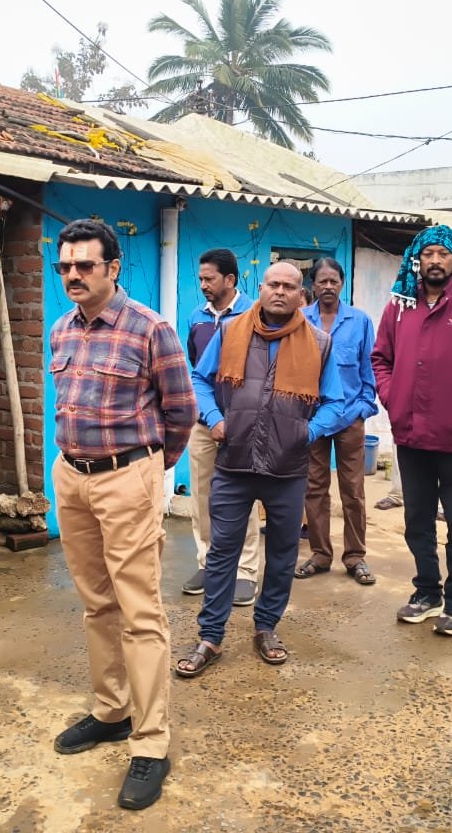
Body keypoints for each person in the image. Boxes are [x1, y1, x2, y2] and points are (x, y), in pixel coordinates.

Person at [48, 219, 195, 812]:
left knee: (140, 610)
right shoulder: (61, 329)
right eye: (65, 266)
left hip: (127, 476)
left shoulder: (150, 328)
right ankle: (112, 711)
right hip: (71, 476)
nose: (73, 275)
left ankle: (151, 741)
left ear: (113, 268)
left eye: (85, 265)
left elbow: (181, 411)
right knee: (96, 604)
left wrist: (149, 471)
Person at [176, 263, 343, 676]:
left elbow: (335, 402)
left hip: (288, 468)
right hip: (233, 463)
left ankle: (266, 627)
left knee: (283, 554)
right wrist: (215, 419)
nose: (280, 292)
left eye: (289, 286)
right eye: (273, 284)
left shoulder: (319, 343)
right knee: (222, 553)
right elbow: (199, 380)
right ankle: (210, 637)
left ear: (300, 295)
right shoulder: (230, 331)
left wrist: (307, 432)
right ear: (261, 288)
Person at [371, 225, 452, 635]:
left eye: (442, 254)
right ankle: (427, 592)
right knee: (417, 519)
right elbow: (380, 358)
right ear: (417, 259)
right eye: (427, 254)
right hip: (410, 433)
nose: (434, 261)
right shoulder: (400, 304)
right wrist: (393, 396)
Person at [181, 248, 261, 607]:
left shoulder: (253, 315)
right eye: (200, 279)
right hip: (203, 423)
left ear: (230, 279)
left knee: (242, 496)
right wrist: (208, 415)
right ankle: (208, 563)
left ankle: (245, 570)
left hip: (241, 423)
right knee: (202, 497)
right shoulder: (196, 317)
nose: (203, 285)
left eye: (209, 279)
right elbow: (196, 366)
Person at [296, 257, 379, 584]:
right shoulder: (301, 319)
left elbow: (369, 368)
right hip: (313, 419)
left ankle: (355, 556)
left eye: (334, 281)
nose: (328, 286)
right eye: (322, 281)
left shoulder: (359, 321)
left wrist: (363, 408)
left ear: (341, 284)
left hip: (349, 418)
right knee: (314, 488)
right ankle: (320, 554)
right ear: (313, 285)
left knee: (353, 490)